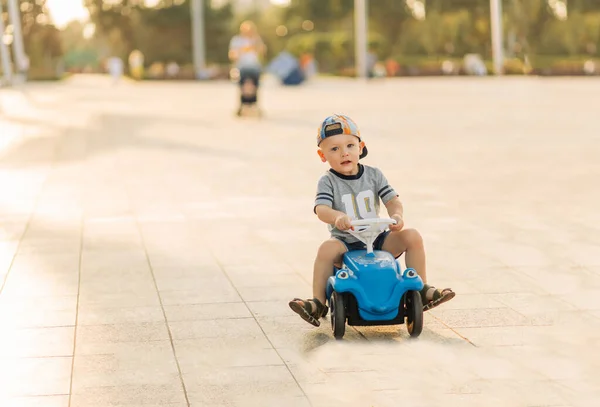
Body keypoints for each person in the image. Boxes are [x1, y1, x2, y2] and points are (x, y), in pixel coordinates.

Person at [289, 114, 455, 327]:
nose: (344, 153)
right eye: (334, 149)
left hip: (378, 239)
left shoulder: (374, 175)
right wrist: (337, 217)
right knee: (326, 250)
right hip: (346, 243)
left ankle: (422, 289)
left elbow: (393, 200)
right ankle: (318, 303)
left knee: (412, 236)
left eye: (350, 145)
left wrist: (397, 216)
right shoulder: (328, 181)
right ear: (322, 155)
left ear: (361, 147)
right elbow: (321, 209)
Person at [228, 21, 266, 116]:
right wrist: (240, 51)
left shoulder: (256, 40)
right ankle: (242, 105)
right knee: (242, 82)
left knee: (256, 82)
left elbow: (263, 51)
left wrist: (255, 43)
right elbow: (232, 55)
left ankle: (255, 103)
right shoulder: (237, 40)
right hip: (242, 66)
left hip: (254, 66)